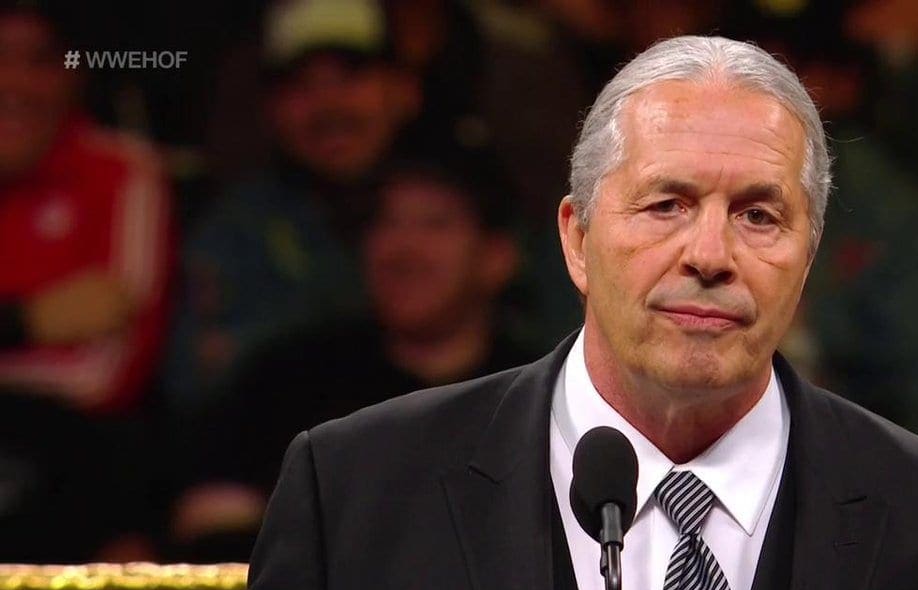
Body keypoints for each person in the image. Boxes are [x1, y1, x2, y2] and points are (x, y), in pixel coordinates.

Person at [218, 36, 918, 590]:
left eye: (759, 215)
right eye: (666, 205)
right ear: (576, 239)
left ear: (809, 258)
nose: (710, 254)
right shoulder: (354, 492)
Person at [195, 151, 539, 493]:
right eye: (385, 222)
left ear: (498, 258)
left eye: (435, 223)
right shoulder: (289, 382)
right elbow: (213, 507)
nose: (403, 248)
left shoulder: (537, 399)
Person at [165, 0, 419, 409]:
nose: (329, 106)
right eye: (301, 87)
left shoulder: (465, 209)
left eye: (349, 78)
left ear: (403, 91)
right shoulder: (237, 227)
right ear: (271, 111)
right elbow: (194, 381)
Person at [0, 3, 173, 414]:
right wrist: (26, 322)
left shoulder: (120, 171)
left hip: (59, 441)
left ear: (76, 75)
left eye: (42, 61)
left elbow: (106, 378)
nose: (14, 83)